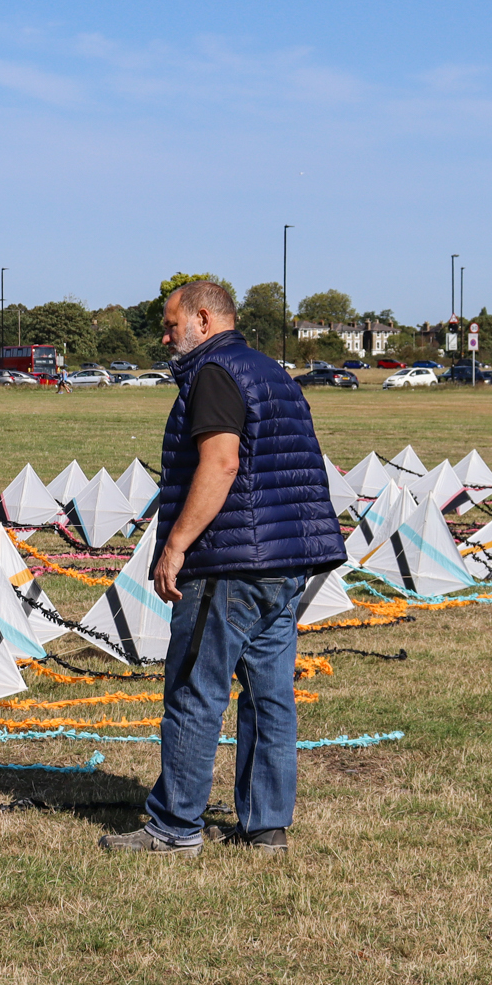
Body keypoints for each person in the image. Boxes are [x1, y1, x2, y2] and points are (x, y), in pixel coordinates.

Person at [98, 280, 344, 857]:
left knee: (194, 690)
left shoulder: (214, 372)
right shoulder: (272, 371)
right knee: (269, 697)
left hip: (229, 563)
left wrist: (177, 544)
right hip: (284, 562)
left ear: (204, 320)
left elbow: (222, 463)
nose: (165, 338)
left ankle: (174, 827)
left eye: (170, 325)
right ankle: (265, 828)